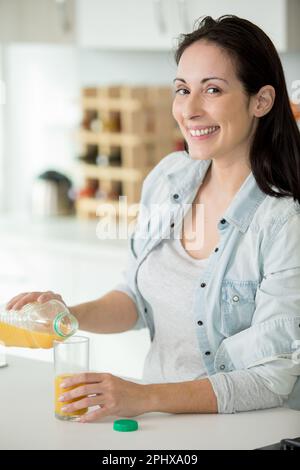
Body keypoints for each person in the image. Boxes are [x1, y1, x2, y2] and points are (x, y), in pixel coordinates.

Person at [7, 15, 300, 422]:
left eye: (212, 89)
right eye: (182, 90)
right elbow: (136, 298)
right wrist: (69, 315)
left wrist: (141, 396)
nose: (190, 109)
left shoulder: (283, 222)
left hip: (239, 431)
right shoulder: (169, 178)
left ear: (261, 101)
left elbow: (271, 380)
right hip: (158, 424)